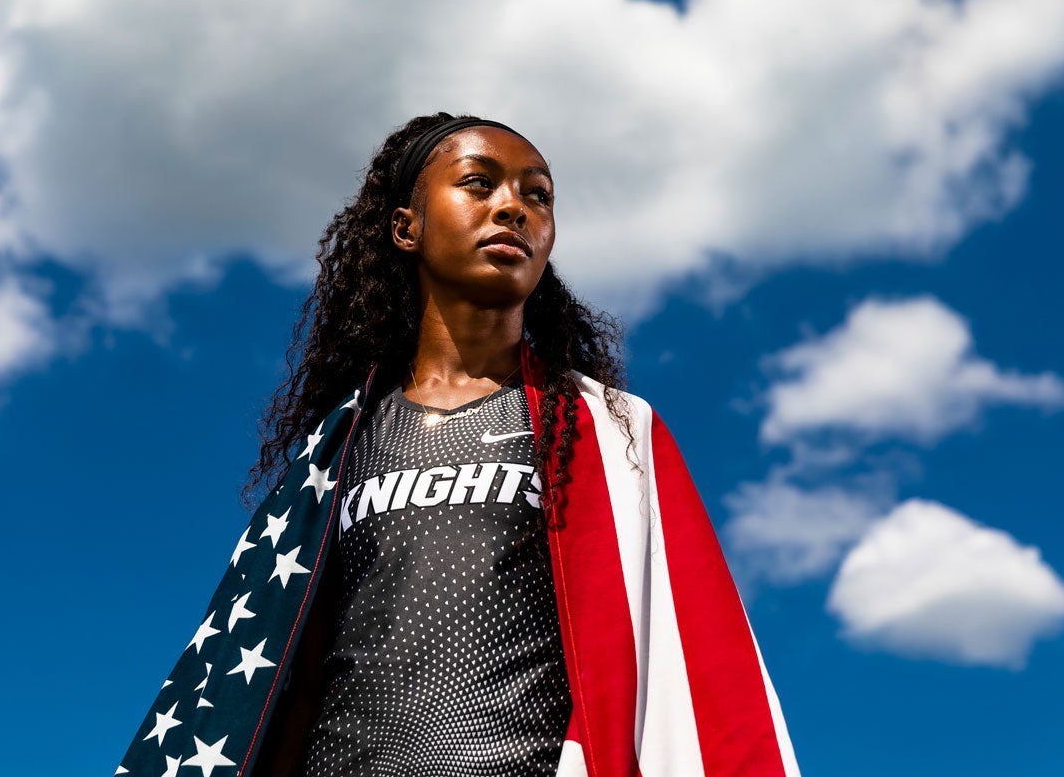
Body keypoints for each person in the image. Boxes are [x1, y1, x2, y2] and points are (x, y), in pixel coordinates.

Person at [118, 113, 801, 777]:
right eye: (480, 183)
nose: (513, 208)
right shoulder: (336, 449)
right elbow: (283, 676)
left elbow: (696, 661)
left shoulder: (608, 429)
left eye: (538, 195)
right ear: (405, 228)